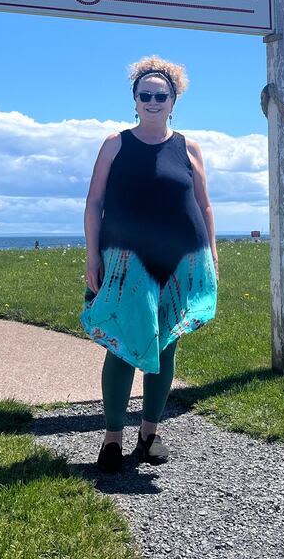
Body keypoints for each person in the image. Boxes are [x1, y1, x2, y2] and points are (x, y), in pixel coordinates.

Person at [81, 55, 219, 473]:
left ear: (174, 100)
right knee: (123, 343)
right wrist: (91, 254)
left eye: (162, 95)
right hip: (126, 261)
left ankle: (150, 433)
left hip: (181, 260)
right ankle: (111, 439)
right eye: (146, 95)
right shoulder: (115, 143)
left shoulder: (189, 148)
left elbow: (204, 204)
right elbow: (94, 202)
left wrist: (213, 252)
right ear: (135, 100)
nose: (153, 101)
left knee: (165, 343)